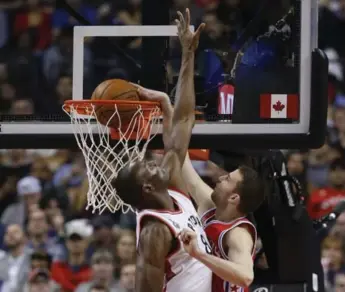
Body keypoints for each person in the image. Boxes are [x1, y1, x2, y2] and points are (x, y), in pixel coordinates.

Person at [113, 9, 211, 292]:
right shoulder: (154, 231)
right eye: (148, 167)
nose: (154, 162)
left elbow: (183, 120)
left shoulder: (174, 191)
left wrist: (188, 54)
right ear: (146, 187)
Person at [178, 150, 265, 291]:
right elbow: (186, 170)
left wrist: (199, 254)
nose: (221, 178)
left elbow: (245, 277)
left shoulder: (238, 234)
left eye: (228, 179)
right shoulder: (211, 206)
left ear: (233, 198)